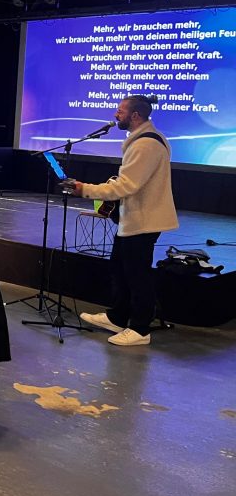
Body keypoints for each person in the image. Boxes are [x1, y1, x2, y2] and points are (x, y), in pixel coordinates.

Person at [65, 95, 178, 346]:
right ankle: (118, 317)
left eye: (120, 111)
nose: (116, 114)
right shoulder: (140, 139)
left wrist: (85, 189)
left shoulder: (146, 144)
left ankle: (140, 329)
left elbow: (127, 186)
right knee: (120, 267)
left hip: (144, 219)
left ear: (135, 115)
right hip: (133, 218)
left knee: (137, 275)